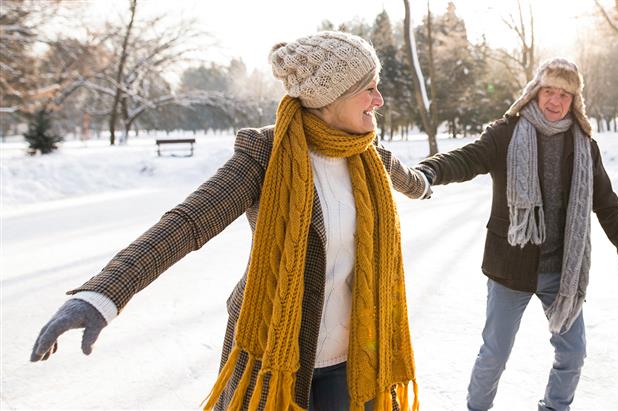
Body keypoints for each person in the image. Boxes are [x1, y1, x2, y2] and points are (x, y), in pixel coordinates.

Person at [30, 31, 430, 411]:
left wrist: (426, 183)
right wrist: (103, 294)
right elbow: (187, 223)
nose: (379, 100)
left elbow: (406, 178)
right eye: (370, 87)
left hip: (358, 354)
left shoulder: (368, 152)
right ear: (331, 97)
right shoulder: (267, 154)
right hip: (274, 349)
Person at [414, 58, 618, 411]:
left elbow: (607, 205)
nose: (555, 101)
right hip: (511, 266)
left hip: (562, 273)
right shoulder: (507, 133)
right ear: (535, 92)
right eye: (549, 91)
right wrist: (430, 170)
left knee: (573, 353)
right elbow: (468, 159)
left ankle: (555, 407)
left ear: (575, 101)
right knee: (495, 352)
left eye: (564, 95)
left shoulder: (584, 146)